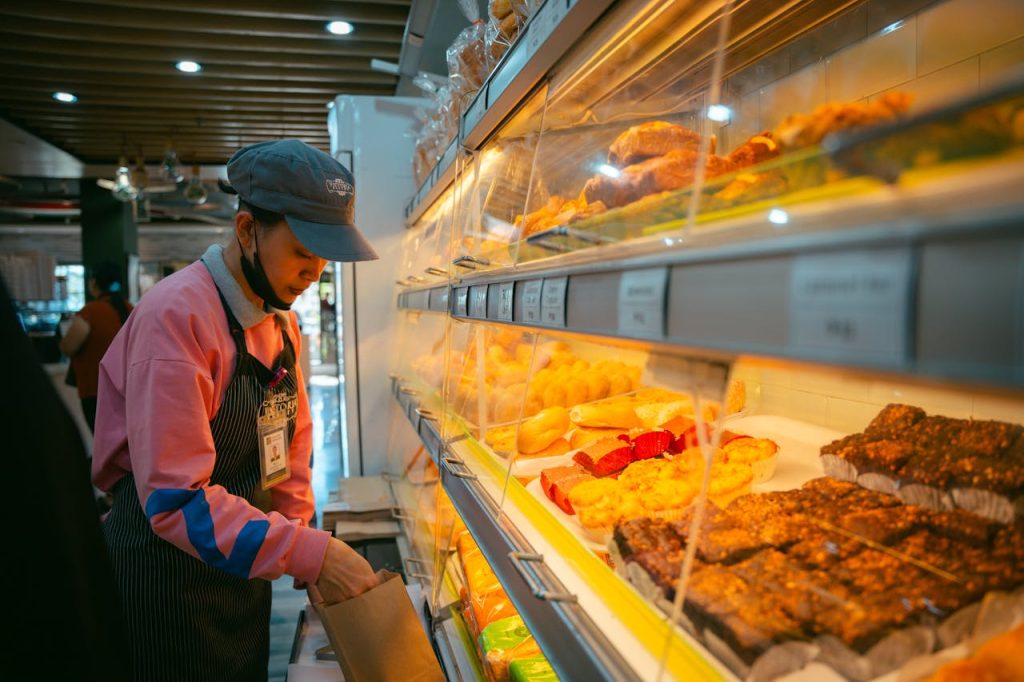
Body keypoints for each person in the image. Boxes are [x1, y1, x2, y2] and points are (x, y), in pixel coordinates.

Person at [91, 139, 381, 681]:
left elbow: (290, 450)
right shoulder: (177, 319)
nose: (315, 271)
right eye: (302, 252)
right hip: (163, 580)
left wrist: (299, 531)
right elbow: (175, 502)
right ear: (248, 231)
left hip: (238, 572)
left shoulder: (280, 318)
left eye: (324, 256)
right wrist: (306, 552)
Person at [59, 260, 132, 432]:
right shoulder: (130, 309)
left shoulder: (91, 311)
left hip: (95, 389)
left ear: (94, 283)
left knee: (101, 440)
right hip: (127, 389)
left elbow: (68, 346)